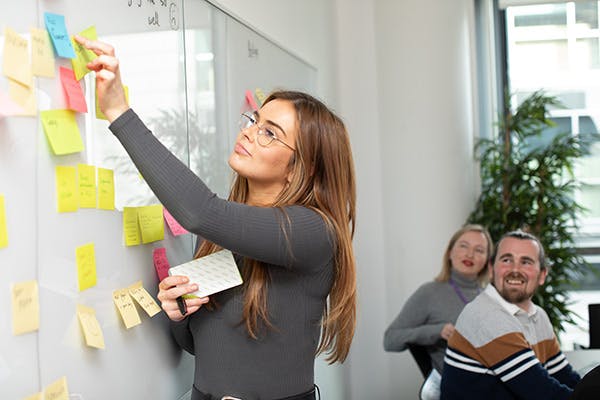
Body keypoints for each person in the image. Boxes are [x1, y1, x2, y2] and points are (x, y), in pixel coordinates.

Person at [75, 36, 357, 400]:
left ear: (299, 168)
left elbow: (199, 211)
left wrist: (117, 110)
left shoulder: (314, 232)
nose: (249, 133)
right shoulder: (219, 231)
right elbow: (199, 343)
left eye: (270, 133)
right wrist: (179, 312)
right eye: (255, 121)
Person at [440, 230, 581, 400]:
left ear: (542, 275)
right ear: (492, 270)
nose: (515, 270)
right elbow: (542, 394)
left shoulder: (538, 316)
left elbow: (566, 377)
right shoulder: (487, 316)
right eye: (507, 260)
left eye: (526, 262)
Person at [383, 224, 492, 399]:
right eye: (464, 246)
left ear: (487, 261)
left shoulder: (491, 299)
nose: (470, 254)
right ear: (450, 252)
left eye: (479, 250)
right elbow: (390, 340)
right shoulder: (430, 293)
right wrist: (437, 331)